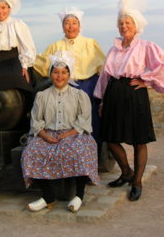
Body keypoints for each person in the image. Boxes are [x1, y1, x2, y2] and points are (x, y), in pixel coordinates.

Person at [94, 0, 164, 201]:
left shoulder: (146, 46)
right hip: (114, 94)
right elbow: (105, 76)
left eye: (128, 23)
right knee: (111, 138)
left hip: (134, 94)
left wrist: (147, 79)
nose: (124, 26)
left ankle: (137, 182)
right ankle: (126, 172)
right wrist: (101, 101)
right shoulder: (114, 49)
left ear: (136, 25)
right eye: (121, 23)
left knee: (139, 140)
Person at [21, 51, 99, 213]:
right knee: (31, 152)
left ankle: (78, 196)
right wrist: (44, 135)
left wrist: (67, 134)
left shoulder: (79, 95)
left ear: (69, 74)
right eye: (56, 72)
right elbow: (36, 120)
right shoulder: (42, 96)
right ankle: (48, 197)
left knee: (79, 152)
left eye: (64, 72)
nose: (59, 76)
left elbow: (83, 120)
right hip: (47, 134)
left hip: (74, 134)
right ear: (50, 74)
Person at [34, 8, 105, 151]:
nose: (71, 26)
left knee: (90, 122)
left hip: (88, 86)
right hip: (64, 87)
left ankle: (91, 159)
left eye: (74, 23)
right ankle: (67, 158)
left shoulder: (90, 43)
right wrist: (25, 61)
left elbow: (103, 68)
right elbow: (42, 63)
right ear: (62, 26)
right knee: (65, 123)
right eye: (67, 23)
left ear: (80, 26)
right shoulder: (56, 46)